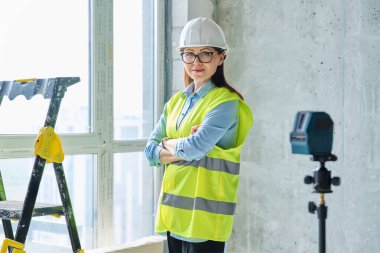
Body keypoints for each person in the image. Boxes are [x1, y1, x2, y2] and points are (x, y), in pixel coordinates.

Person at [145, 17, 253, 253]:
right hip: (173, 217)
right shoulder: (174, 103)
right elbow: (150, 152)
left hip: (205, 222)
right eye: (189, 54)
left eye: (205, 53)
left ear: (221, 56)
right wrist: (182, 145)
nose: (196, 62)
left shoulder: (226, 103)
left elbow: (193, 149)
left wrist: (166, 143)